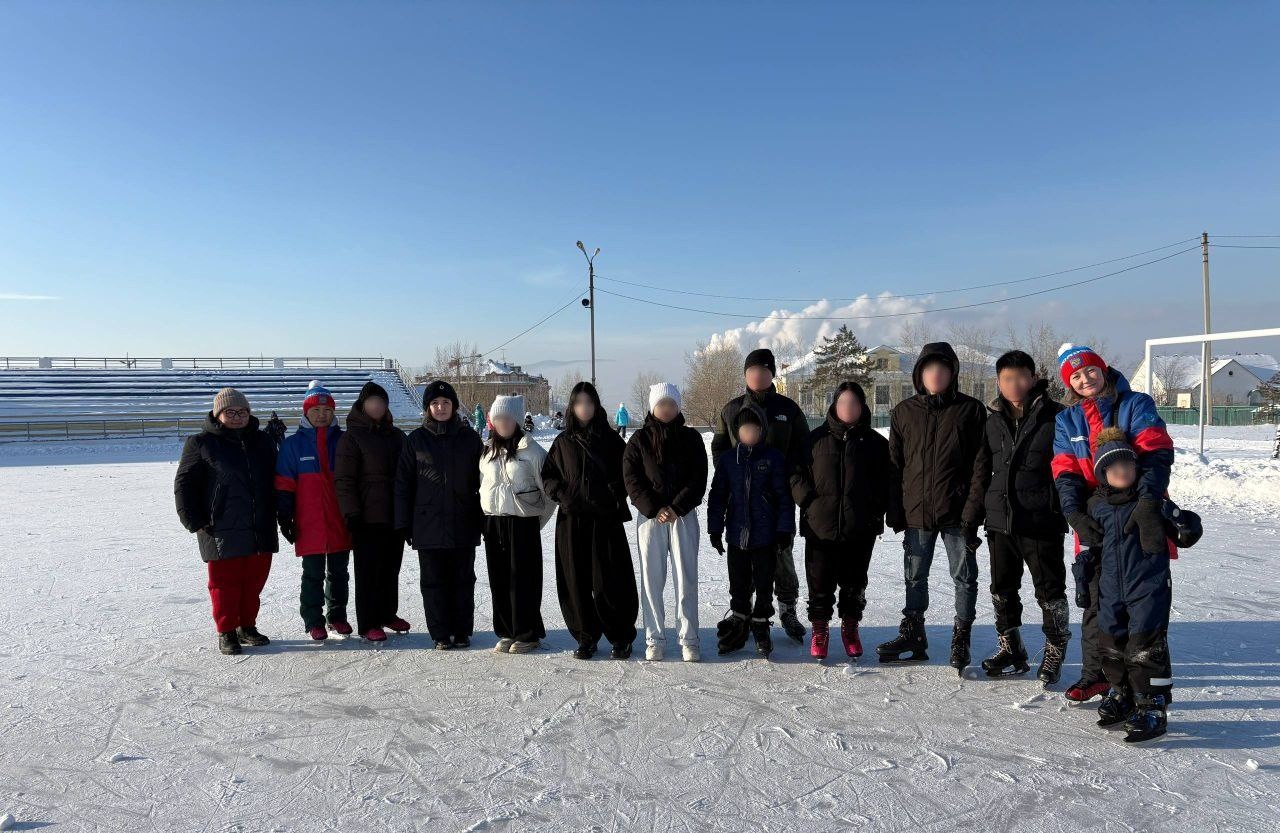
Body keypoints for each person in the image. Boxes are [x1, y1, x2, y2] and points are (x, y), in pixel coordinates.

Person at [1052, 343, 1174, 703]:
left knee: (1143, 608)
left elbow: (1156, 452)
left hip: (1138, 513)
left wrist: (1149, 503)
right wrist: (1074, 514)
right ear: (1069, 384)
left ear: (1102, 369)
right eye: (1076, 376)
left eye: (1090, 370)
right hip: (1096, 516)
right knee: (1096, 603)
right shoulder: (1067, 419)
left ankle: (1148, 693)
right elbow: (1065, 472)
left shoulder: (1136, 404)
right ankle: (1100, 677)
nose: (1085, 379)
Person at [877, 342, 987, 675]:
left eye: (942, 368)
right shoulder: (904, 412)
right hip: (917, 512)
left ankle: (961, 635)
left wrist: (972, 512)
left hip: (958, 514)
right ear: (919, 374)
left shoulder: (971, 410)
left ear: (952, 373)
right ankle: (914, 634)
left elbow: (980, 466)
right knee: (914, 577)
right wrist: (895, 510)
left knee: (964, 577)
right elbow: (894, 466)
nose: (935, 374)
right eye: (929, 368)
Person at [976, 351, 1070, 682]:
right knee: (1002, 588)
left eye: (1020, 377)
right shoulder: (992, 420)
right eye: (1006, 379)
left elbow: (1070, 468)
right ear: (998, 382)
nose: (1013, 385)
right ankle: (1011, 647)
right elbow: (981, 471)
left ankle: (1055, 649)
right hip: (1001, 521)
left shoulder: (1056, 416)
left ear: (1032, 378)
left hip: (1040, 520)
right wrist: (974, 515)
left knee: (1049, 590)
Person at [710, 347, 810, 642]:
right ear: (745, 375)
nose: (758, 375)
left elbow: (804, 446)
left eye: (764, 371)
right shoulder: (732, 410)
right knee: (743, 559)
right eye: (752, 371)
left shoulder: (787, 409)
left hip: (777, 495)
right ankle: (744, 614)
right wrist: (734, 477)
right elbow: (718, 447)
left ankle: (787, 609)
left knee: (780, 555)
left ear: (772, 374)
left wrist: (790, 477)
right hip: (742, 499)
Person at [1086, 428, 1178, 742]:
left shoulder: (1148, 500)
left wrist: (1183, 520)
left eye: (1127, 465)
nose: (1122, 471)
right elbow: (1093, 548)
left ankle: (1152, 704)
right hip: (1111, 586)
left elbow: (1185, 531)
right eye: (1113, 468)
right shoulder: (1097, 506)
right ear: (1102, 474)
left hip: (1148, 586)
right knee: (1111, 643)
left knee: (1145, 646)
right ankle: (1122, 692)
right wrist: (1084, 577)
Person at [792, 382, 894, 662]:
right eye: (843, 402)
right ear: (834, 406)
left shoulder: (876, 444)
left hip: (859, 527)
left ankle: (850, 628)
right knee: (819, 582)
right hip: (820, 525)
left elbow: (888, 482)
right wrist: (808, 501)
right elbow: (795, 473)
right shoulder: (814, 440)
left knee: (854, 582)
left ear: (862, 407)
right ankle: (820, 629)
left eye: (854, 403)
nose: (848, 408)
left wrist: (875, 509)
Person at [174, 388, 278, 655]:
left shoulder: (262, 441)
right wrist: (192, 519)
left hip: (259, 522)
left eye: (242, 411)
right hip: (219, 525)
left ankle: (247, 626)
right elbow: (184, 483)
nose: (237, 416)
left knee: (254, 580)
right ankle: (226, 630)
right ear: (218, 414)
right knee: (224, 583)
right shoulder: (201, 443)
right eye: (230, 412)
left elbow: (276, 478)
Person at [541, 381, 639, 660]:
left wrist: (611, 494)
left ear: (596, 406)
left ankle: (621, 636)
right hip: (571, 520)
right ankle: (585, 636)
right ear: (572, 407)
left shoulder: (610, 440)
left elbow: (627, 475)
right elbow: (548, 476)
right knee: (575, 580)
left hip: (605, 520)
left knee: (611, 580)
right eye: (579, 403)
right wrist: (562, 494)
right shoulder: (563, 442)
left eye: (589, 402)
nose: (584, 407)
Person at [395, 380, 485, 650]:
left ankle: (462, 631)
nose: (441, 407)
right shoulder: (416, 440)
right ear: (428, 408)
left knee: (463, 580)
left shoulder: (470, 439)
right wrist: (403, 524)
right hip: (428, 524)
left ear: (454, 406)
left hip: (463, 521)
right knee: (434, 582)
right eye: (435, 403)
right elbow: (403, 484)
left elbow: (484, 480)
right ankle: (440, 633)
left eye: (446, 403)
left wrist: (484, 519)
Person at [623, 382, 708, 662]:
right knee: (651, 579)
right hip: (650, 518)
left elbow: (698, 478)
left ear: (678, 406)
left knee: (686, 579)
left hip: (682, 516)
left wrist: (676, 507)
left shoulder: (691, 438)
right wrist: (654, 508)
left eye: (671, 403)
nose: (667, 409)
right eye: (662, 404)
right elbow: (632, 480)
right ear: (652, 406)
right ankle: (654, 637)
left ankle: (689, 638)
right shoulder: (639, 440)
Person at [707, 404, 795, 658]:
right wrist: (715, 528)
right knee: (739, 584)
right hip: (737, 536)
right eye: (745, 430)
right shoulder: (728, 460)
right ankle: (740, 620)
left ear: (762, 431)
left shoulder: (773, 458)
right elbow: (718, 496)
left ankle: (760, 624)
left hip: (766, 538)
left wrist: (784, 530)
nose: (750, 434)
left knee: (765, 584)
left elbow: (783, 498)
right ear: (737, 432)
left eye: (754, 430)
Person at [275, 382, 353, 640]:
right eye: (316, 409)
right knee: (313, 573)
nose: (321, 414)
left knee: (339, 572)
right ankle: (313, 619)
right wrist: (284, 515)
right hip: (309, 521)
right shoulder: (293, 445)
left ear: (333, 413)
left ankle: (337, 616)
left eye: (326, 409)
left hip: (339, 519)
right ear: (306, 412)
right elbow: (285, 483)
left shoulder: (344, 441)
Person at [334, 381, 409, 643]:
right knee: (368, 572)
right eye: (372, 401)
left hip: (393, 515)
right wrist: (351, 513)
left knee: (391, 569)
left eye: (381, 402)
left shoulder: (397, 435)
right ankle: (368, 623)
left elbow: (408, 476)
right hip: (366, 517)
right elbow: (343, 480)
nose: (377, 406)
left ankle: (388, 613)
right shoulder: (351, 437)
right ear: (362, 405)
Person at [479, 394, 554, 654]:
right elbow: (482, 486)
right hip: (493, 523)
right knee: (499, 580)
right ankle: (506, 631)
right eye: (497, 418)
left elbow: (549, 496)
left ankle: (527, 632)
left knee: (523, 580)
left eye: (507, 418)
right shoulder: (487, 450)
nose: (502, 423)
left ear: (517, 420)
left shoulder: (533, 451)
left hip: (522, 524)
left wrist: (533, 521)